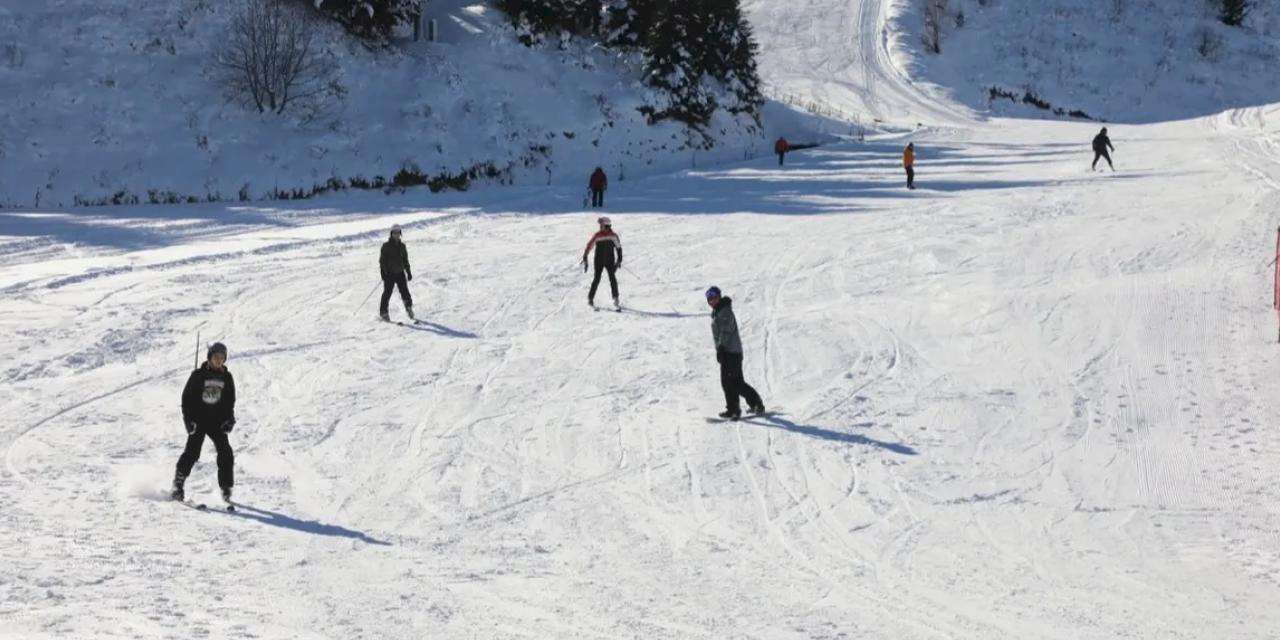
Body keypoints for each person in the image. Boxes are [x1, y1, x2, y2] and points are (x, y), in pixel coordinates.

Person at [172, 342, 237, 504]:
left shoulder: (227, 377)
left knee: (226, 453)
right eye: (216, 357)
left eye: (222, 358)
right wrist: (188, 419)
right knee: (192, 452)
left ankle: (226, 489)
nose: (219, 361)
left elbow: (230, 401)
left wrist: (230, 418)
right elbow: (186, 399)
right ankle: (178, 484)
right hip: (199, 420)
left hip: (217, 421)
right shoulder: (198, 375)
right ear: (209, 357)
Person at [705, 286, 764, 420]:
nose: (711, 300)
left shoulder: (725, 311)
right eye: (709, 298)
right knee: (727, 382)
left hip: (732, 352)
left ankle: (756, 403)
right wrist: (720, 350)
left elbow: (726, 331)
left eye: (713, 297)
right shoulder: (718, 311)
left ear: (719, 296)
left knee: (735, 382)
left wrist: (721, 347)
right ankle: (733, 409)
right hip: (727, 351)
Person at [582, 216, 622, 309]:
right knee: (597, 279)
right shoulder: (597, 235)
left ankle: (615, 298)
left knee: (612, 278)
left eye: (601, 225)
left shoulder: (613, 235)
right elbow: (590, 245)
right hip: (598, 260)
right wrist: (585, 255)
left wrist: (619, 259)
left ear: (606, 225)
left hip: (610, 260)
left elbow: (618, 247)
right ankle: (590, 298)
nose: (600, 226)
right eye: (600, 225)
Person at [379, 224, 414, 322]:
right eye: (394, 233)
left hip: (400, 273)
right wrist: (383, 273)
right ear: (391, 234)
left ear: (400, 234)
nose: (396, 234)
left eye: (398, 233)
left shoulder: (402, 246)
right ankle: (383, 312)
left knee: (405, 292)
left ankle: (408, 307)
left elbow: (405, 260)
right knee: (387, 293)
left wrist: (408, 271)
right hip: (390, 274)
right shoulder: (386, 246)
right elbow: (382, 261)